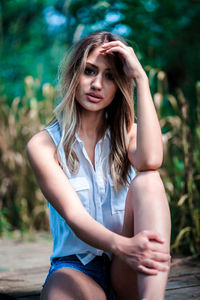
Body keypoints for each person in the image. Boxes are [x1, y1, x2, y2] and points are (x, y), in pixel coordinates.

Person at [26, 31, 171, 300]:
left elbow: (151, 161)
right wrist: (126, 246)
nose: (97, 84)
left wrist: (140, 78)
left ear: (119, 85)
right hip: (77, 268)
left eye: (110, 76)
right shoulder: (43, 145)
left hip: (129, 267)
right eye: (89, 71)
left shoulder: (129, 134)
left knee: (148, 180)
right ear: (73, 75)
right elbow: (75, 217)